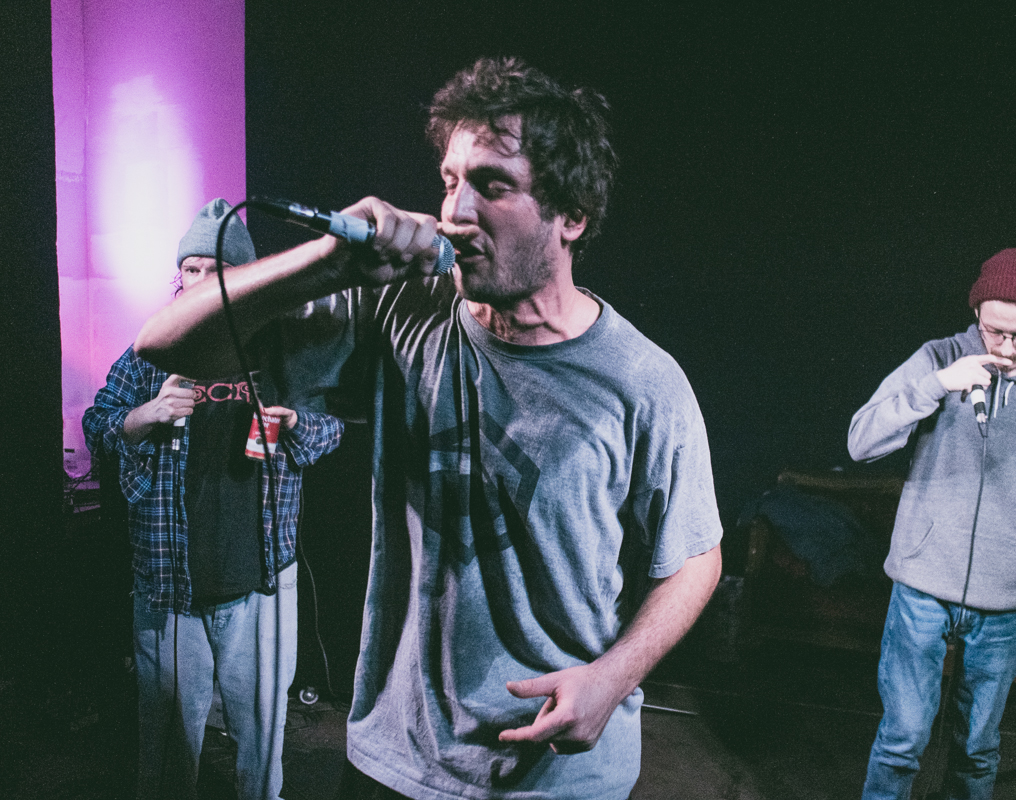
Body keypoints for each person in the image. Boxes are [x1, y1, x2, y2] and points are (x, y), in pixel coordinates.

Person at [134, 58, 724, 800]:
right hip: (396, 758)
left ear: (571, 216)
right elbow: (167, 343)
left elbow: (695, 557)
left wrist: (613, 677)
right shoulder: (401, 312)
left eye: (493, 186)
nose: (455, 211)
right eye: (450, 181)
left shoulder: (642, 381)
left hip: (556, 773)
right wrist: (329, 263)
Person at [83, 198, 345, 800]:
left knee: (263, 741)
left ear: (242, 280)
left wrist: (296, 423)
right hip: (170, 585)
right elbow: (98, 423)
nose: (200, 281)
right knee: (169, 747)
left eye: (215, 270)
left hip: (262, 584)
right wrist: (143, 417)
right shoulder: (155, 353)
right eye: (191, 269)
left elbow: (332, 429)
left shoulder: (278, 350)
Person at [847, 247, 1016, 799]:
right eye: (995, 332)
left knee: (978, 748)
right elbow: (861, 441)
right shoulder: (938, 358)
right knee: (903, 739)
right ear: (976, 313)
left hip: (1003, 602)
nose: (1008, 349)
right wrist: (937, 385)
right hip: (921, 587)